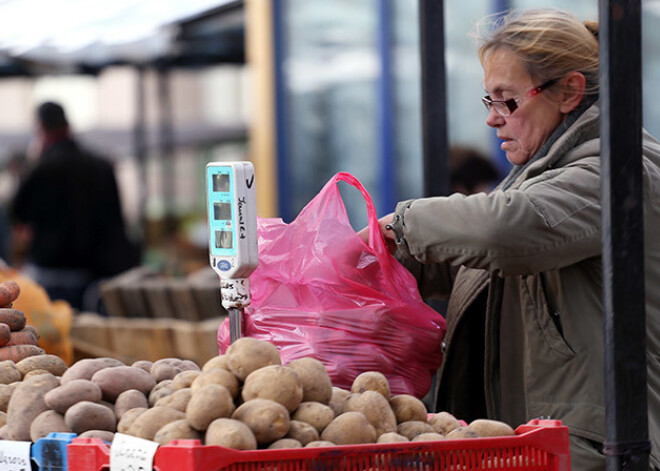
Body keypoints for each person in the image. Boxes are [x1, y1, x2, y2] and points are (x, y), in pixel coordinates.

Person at [359, 9, 660, 469]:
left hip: (599, 452)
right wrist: (375, 259)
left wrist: (399, 226)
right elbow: (476, 262)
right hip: (536, 445)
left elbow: (509, 230)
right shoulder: (535, 176)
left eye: (508, 101)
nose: (493, 120)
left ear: (569, 92)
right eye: (489, 101)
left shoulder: (621, 170)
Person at [10, 101, 139, 310]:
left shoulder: (42, 168)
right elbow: (117, 220)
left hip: (52, 277)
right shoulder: (100, 165)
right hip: (96, 277)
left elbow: (18, 212)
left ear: (41, 129)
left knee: (53, 339)